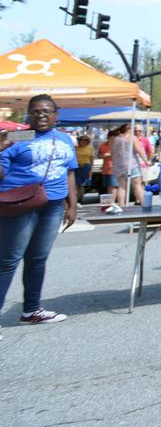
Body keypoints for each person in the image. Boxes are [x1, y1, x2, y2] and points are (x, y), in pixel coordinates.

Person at [0, 94, 78, 328]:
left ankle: (31, 310)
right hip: (20, 203)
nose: (41, 115)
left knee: (37, 259)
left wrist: (72, 205)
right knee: (8, 261)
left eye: (46, 111)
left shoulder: (64, 140)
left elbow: (70, 173)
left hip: (52, 205)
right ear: (29, 115)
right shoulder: (17, 137)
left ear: (56, 115)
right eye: (35, 111)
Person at [111, 123, 147, 210]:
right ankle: (144, 204)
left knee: (122, 186)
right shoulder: (132, 138)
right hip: (132, 164)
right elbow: (139, 150)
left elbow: (112, 152)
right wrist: (146, 160)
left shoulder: (116, 139)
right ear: (129, 129)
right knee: (137, 185)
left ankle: (121, 205)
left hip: (119, 165)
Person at [98, 129, 117, 201]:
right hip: (105, 169)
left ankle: (112, 202)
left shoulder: (117, 145)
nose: (112, 139)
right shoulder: (103, 145)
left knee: (113, 186)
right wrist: (103, 155)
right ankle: (110, 202)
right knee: (109, 186)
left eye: (114, 137)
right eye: (111, 137)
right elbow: (99, 155)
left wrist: (109, 154)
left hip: (114, 168)